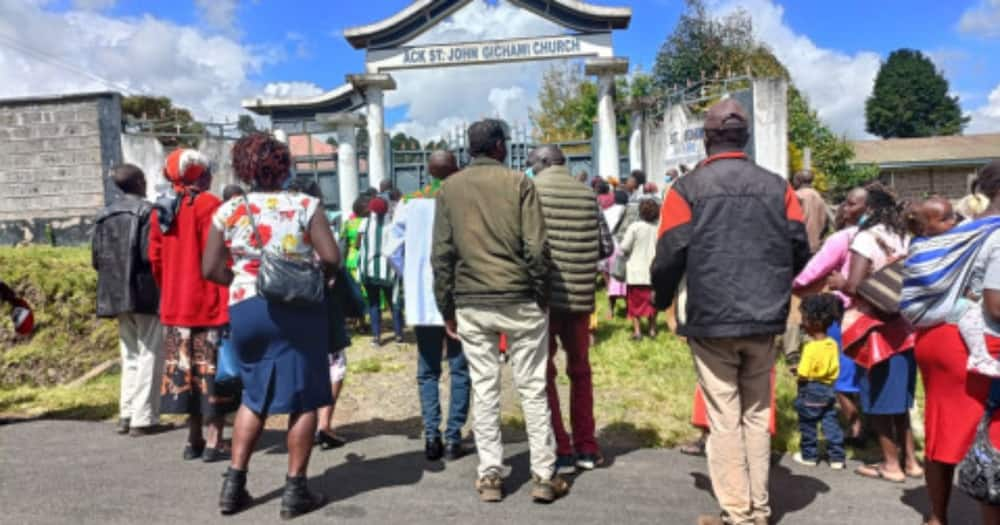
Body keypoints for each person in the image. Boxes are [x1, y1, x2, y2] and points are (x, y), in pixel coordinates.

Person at [651, 99, 810, 525]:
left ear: (706, 139)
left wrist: (662, 298)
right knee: (757, 415)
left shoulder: (686, 189)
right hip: (764, 316)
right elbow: (800, 247)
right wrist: (776, 282)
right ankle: (758, 509)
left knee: (724, 418)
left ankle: (737, 513)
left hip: (709, 315)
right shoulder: (779, 187)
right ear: (747, 138)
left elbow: (668, 254)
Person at [203, 132, 339, 518]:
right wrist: (317, 276)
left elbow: (210, 268)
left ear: (243, 168)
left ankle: (234, 485)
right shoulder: (304, 204)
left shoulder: (229, 210)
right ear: (283, 166)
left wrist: (245, 285)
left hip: (247, 308)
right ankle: (295, 491)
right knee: (306, 396)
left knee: (254, 393)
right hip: (297, 308)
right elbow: (331, 257)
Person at [432, 119, 568, 504]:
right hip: (520, 299)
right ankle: (544, 474)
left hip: (472, 301)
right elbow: (537, 247)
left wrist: (446, 307)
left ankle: (490, 473)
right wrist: (540, 294)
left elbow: (441, 255)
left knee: (485, 388)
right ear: (497, 147)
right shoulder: (519, 183)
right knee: (533, 389)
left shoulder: (450, 190)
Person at [903, 161, 1000, 525]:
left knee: (944, 431)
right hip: (976, 343)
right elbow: (996, 303)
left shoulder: (964, 231)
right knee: (994, 433)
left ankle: (936, 516)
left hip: (940, 338)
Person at [149, 149, 236, 463]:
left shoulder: (162, 210)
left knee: (184, 374)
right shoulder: (211, 205)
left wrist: (170, 290)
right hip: (209, 302)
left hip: (175, 305)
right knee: (210, 371)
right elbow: (224, 253)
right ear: (200, 174)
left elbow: (155, 260)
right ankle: (215, 440)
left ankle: (192, 438)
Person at [831, 183, 919, 484]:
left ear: (869, 209)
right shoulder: (904, 237)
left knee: (878, 401)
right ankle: (911, 461)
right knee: (902, 401)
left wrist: (838, 281)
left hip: (874, 330)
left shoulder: (866, 239)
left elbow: (856, 286)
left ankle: (891, 464)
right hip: (905, 326)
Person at [387, 150, 471, 462]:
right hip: (459, 295)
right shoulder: (464, 200)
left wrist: (410, 275)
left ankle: (432, 437)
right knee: (461, 369)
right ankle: (453, 438)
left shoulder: (410, 204)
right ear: (457, 170)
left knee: (428, 371)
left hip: (424, 298)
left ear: (428, 172)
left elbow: (392, 249)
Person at [530, 145, 604, 474]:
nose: (531, 169)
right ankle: (587, 445)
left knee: (544, 374)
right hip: (580, 298)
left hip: (544, 300)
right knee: (581, 371)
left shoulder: (531, 192)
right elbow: (606, 246)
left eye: (533, 163)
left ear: (544, 163)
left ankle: (560, 446)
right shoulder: (587, 194)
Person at [791, 187, 869, 445]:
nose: (844, 208)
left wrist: (790, 284)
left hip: (846, 313)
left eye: (849, 204)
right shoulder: (893, 236)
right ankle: (881, 428)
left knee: (842, 374)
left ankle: (856, 428)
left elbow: (813, 271)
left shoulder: (843, 239)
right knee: (867, 372)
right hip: (882, 316)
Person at [93, 164, 163, 436]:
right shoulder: (148, 211)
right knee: (150, 353)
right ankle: (143, 418)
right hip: (145, 291)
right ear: (138, 182)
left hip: (115, 293)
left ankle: (126, 413)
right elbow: (150, 255)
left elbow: (96, 259)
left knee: (129, 353)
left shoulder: (103, 215)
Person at [287, 178, 352, 451]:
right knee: (335, 362)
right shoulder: (318, 220)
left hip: (289, 301)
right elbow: (332, 258)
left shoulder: (282, 222)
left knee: (301, 364)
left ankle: (303, 421)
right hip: (320, 298)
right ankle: (323, 423)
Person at [791, 293, 846, 469]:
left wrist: (796, 370)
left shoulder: (810, 347)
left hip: (810, 388)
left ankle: (809, 455)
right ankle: (837, 457)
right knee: (830, 422)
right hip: (829, 388)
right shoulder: (832, 344)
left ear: (814, 323)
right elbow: (834, 367)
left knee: (808, 424)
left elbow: (804, 372)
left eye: (805, 320)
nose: (802, 323)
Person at [358, 195, 403, 346]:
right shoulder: (393, 223)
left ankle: (377, 337)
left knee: (373, 303)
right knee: (393, 302)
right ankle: (398, 335)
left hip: (369, 268)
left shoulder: (364, 223)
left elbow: (358, 244)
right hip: (389, 270)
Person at [621, 198, 660, 340]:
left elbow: (624, 247)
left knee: (634, 304)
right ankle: (652, 329)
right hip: (654, 272)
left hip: (636, 273)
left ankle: (637, 332)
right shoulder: (659, 228)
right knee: (653, 303)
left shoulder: (634, 227)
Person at [604, 190, 629, 318]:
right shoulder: (629, 212)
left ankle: (610, 309)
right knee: (627, 279)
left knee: (612, 279)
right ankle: (629, 307)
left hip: (611, 247)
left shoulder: (607, 212)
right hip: (625, 247)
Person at [793, 171, 829, 255]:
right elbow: (826, 223)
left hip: (799, 245)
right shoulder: (819, 197)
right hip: (815, 246)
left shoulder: (796, 196)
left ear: (798, 180)